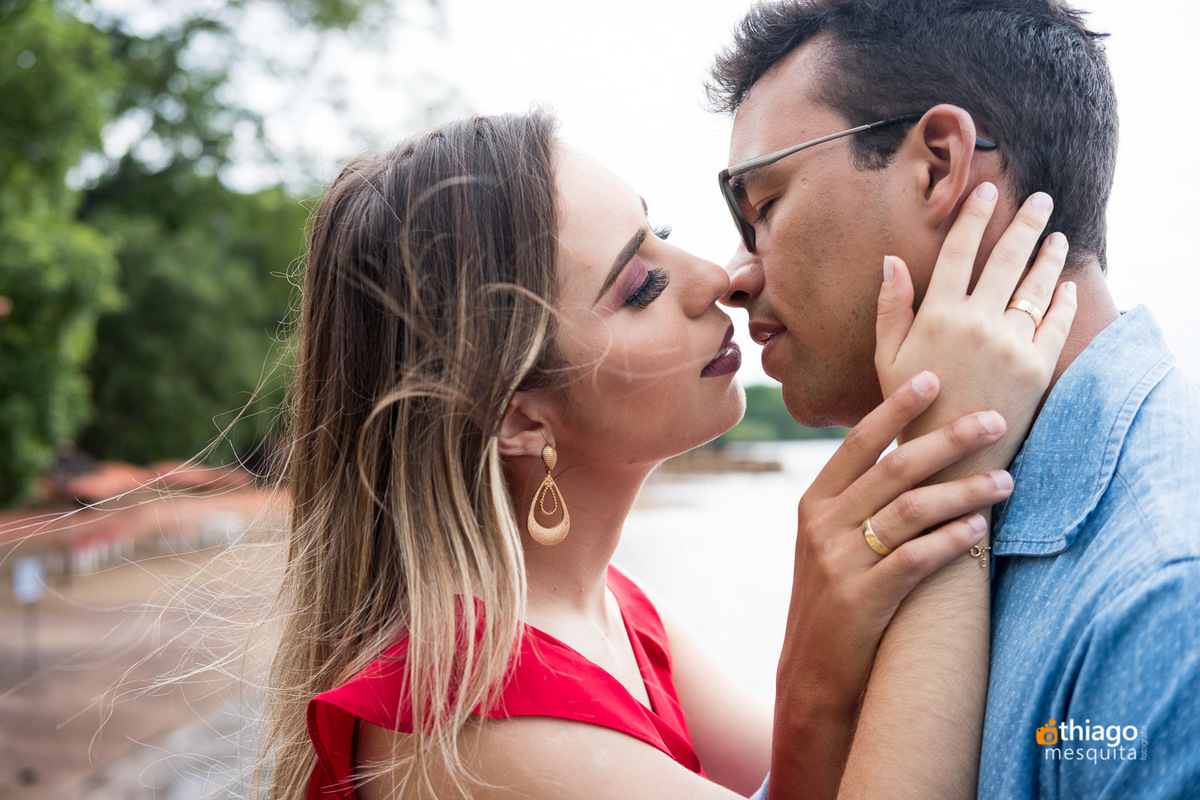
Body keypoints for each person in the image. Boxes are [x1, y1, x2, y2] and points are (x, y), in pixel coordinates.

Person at [262, 111, 1072, 799]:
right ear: (520, 419)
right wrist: (960, 453)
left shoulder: (612, 613)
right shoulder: (475, 718)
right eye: (639, 285)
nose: (717, 279)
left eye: (666, 237)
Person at [709, 1, 1200, 797]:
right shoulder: (894, 535)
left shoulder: (1166, 601)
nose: (735, 273)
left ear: (938, 166)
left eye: (763, 205)